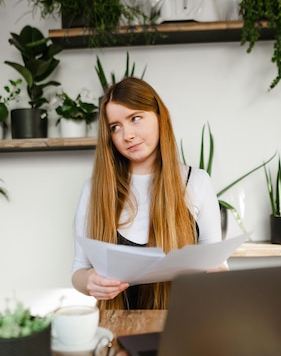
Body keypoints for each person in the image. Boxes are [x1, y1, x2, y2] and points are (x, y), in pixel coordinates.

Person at [71, 77, 225, 310]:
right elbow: (78, 271)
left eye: (135, 118)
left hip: (184, 325)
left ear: (160, 116)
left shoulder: (196, 182)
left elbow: (219, 265)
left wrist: (215, 274)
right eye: (115, 127)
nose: (127, 135)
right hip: (119, 331)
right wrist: (90, 282)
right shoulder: (95, 189)